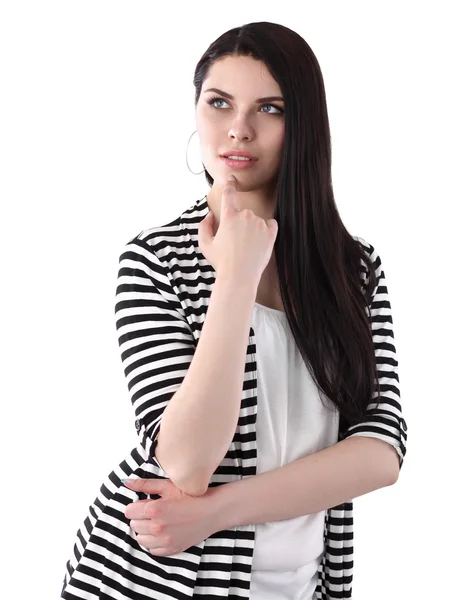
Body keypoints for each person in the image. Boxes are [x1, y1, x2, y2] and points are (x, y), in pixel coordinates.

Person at [60, 21, 408, 600]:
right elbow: (187, 462)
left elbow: (381, 450)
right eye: (219, 103)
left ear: (303, 126)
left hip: (301, 584)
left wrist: (215, 511)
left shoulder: (354, 267)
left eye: (269, 108)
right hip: (156, 576)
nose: (238, 129)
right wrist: (237, 275)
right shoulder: (155, 259)